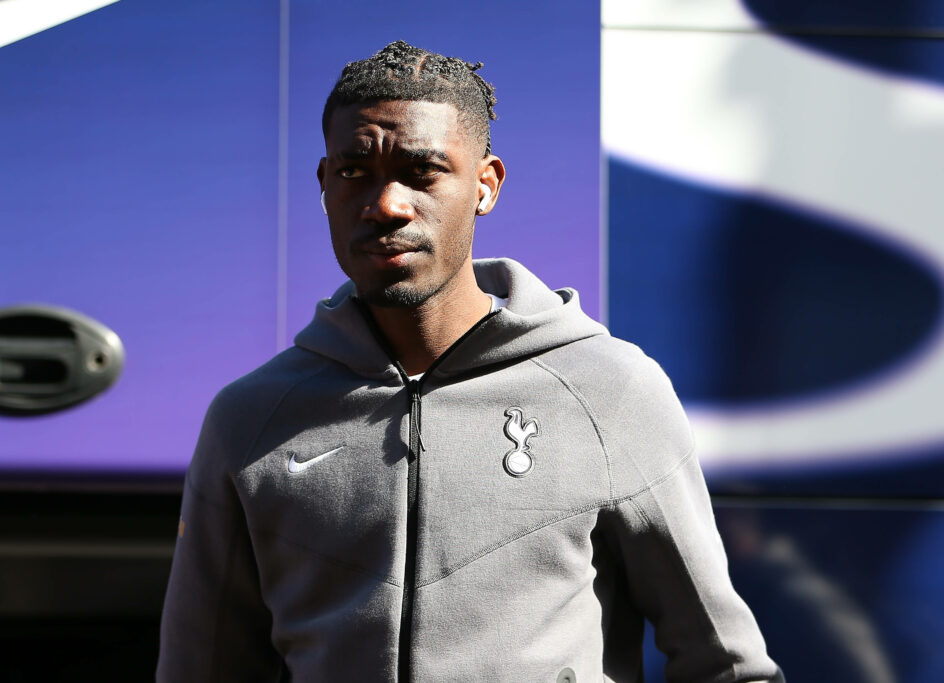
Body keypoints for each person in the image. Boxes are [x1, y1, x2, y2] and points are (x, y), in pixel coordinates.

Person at [157, 40, 783, 682]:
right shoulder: (251, 419)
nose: (387, 204)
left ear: (485, 185)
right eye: (354, 172)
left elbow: (726, 665)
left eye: (423, 172)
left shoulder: (610, 390)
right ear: (323, 184)